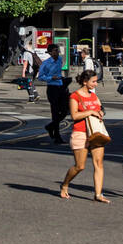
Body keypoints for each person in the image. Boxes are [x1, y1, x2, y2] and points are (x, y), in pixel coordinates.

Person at [59, 69, 110, 203]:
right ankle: (65, 185)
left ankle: (98, 194)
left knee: (99, 163)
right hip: (80, 133)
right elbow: (74, 115)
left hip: (95, 133)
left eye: (96, 81)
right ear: (84, 82)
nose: (96, 84)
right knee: (79, 166)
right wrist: (91, 111)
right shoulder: (75, 96)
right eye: (93, 82)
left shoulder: (94, 96)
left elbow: (100, 108)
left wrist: (100, 113)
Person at [37, 45, 67, 144]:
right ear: (50, 52)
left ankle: (50, 126)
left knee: (64, 111)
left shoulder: (59, 59)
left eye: (57, 50)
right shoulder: (45, 63)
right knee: (55, 113)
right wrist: (51, 78)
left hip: (61, 87)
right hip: (52, 88)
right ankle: (57, 137)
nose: (57, 52)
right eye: (55, 51)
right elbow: (40, 77)